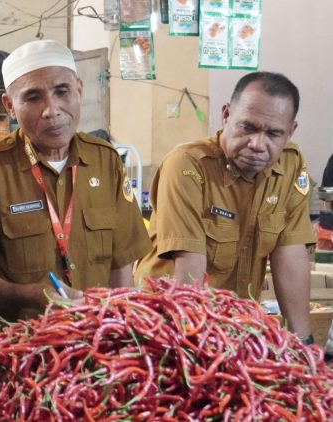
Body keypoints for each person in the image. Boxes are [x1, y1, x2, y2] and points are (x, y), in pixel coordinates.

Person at [0, 40, 151, 328]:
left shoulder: (106, 162)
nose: (51, 110)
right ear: (10, 106)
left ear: (79, 90)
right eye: (32, 98)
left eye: (62, 91)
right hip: (19, 351)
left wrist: (120, 330)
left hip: (95, 347)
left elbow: (121, 266)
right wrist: (29, 296)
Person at [135, 71, 315, 343]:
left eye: (274, 134)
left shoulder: (290, 164)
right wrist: (195, 349)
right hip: (167, 323)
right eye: (248, 127)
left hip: (231, 325)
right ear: (226, 115)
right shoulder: (187, 166)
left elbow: (289, 254)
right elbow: (190, 272)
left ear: (290, 132)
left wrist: (304, 345)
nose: (257, 144)